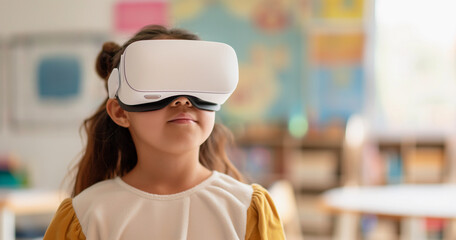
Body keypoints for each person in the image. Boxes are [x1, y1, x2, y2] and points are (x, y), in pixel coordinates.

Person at [43, 25, 285, 240]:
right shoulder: (86, 216)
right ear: (120, 112)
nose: (182, 100)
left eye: (196, 84)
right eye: (159, 85)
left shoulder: (246, 210)